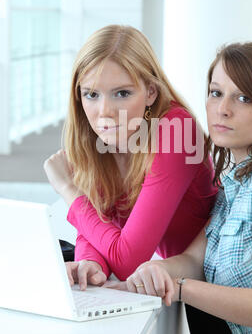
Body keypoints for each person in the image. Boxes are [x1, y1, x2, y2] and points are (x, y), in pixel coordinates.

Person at [120, 42, 252, 334]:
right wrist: (156, 270)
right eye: (216, 93)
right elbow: (194, 259)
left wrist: (181, 286)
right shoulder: (236, 182)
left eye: (243, 98)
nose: (223, 108)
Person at [43, 24, 218, 291]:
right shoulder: (108, 136)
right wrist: (90, 262)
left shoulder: (177, 131)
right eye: (91, 94)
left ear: (151, 92)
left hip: (217, 282)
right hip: (174, 277)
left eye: (122, 93)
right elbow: (97, 218)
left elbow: (127, 262)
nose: (105, 112)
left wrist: (69, 189)